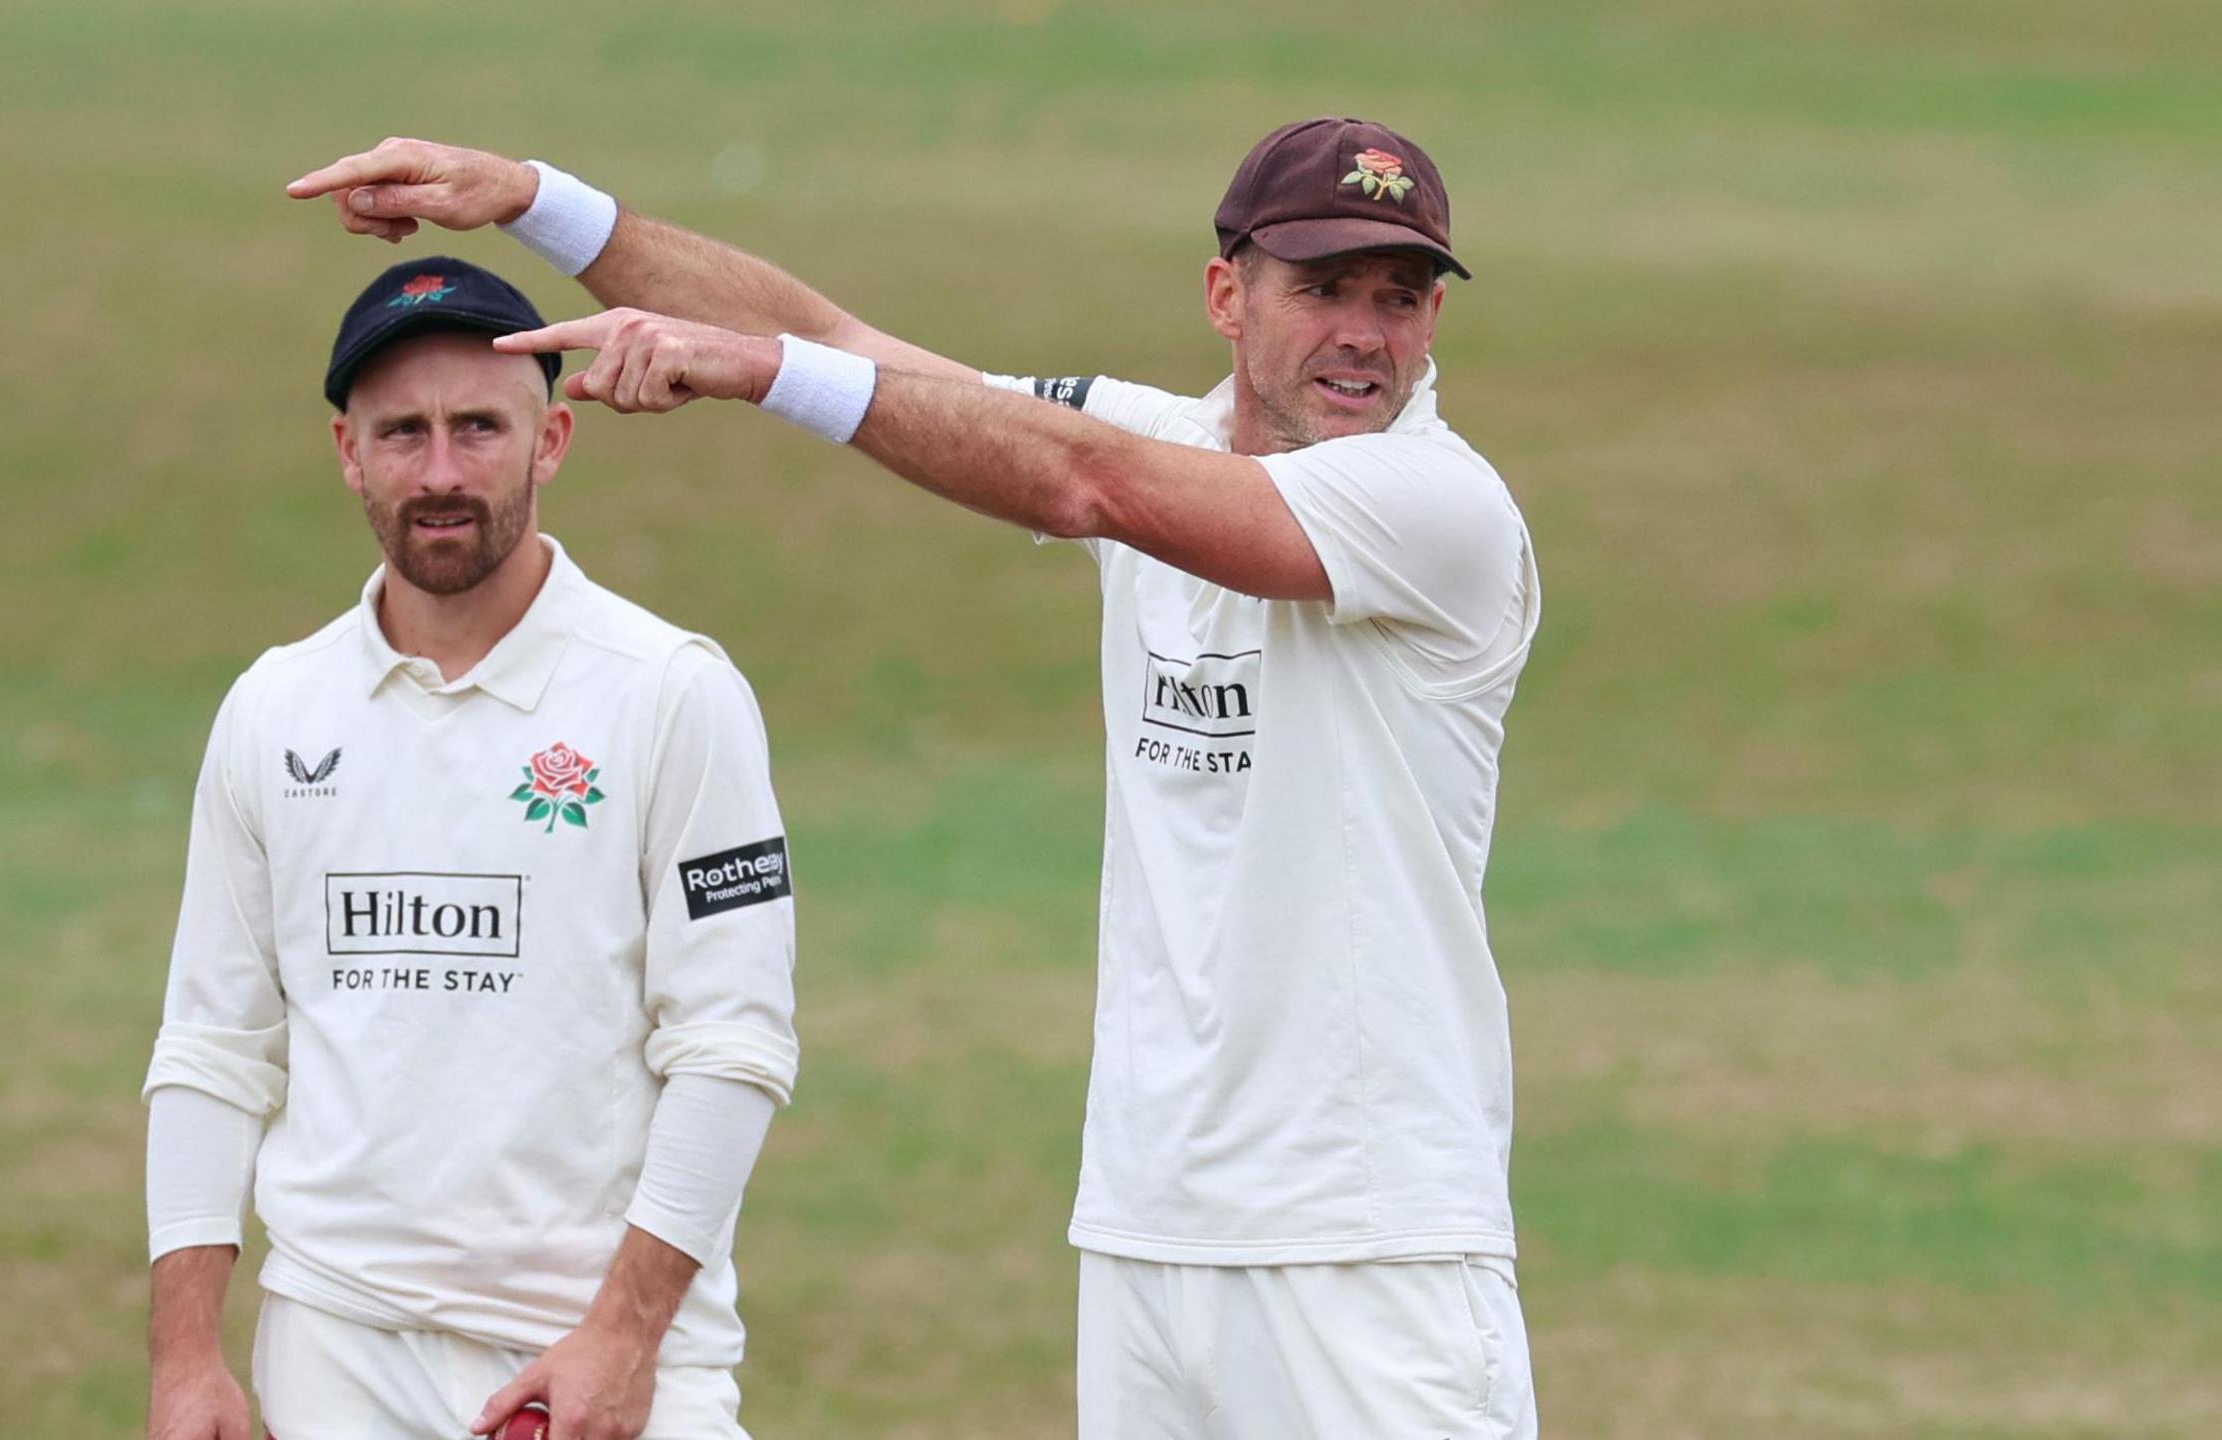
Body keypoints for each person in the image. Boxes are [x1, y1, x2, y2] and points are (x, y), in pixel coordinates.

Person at [291, 115, 1542, 1438]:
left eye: (1399, 299)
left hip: (1374, 1249)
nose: (1363, 332)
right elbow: (853, 349)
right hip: (1150, 1240)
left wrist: (760, 373)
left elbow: (1080, 483)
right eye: (1322, 288)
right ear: (1228, 294)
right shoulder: (1175, 436)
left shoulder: (1435, 510)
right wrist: (537, 202)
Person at [141, 255, 800, 1440]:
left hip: (601, 1352)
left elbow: (732, 1047)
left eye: (477, 428)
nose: (440, 473)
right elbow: (213, 1049)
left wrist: (622, 1335)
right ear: (348, 451)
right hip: (336, 1342)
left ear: (551, 441)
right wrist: (187, 1356)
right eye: (403, 434)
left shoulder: (671, 696)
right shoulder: (274, 710)